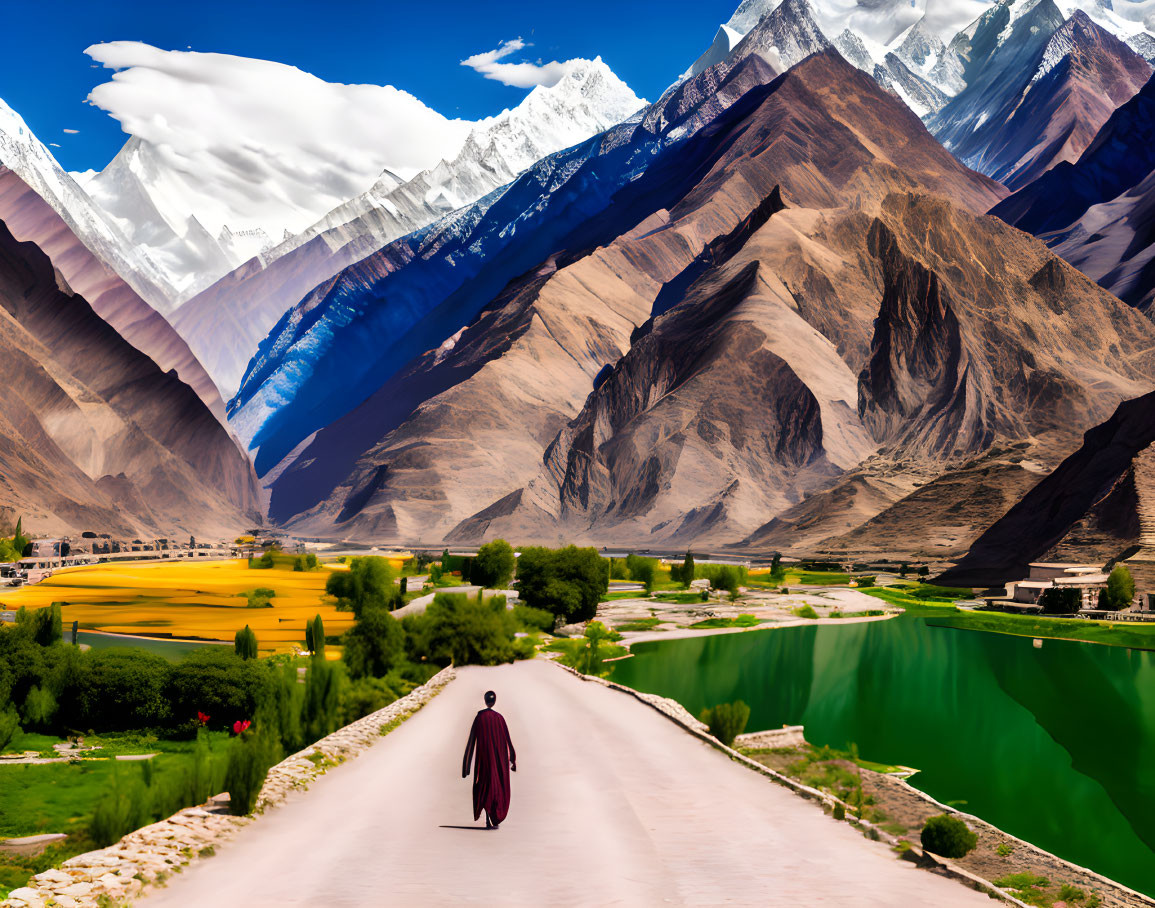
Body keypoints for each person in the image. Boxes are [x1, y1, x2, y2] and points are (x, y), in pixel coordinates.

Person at [462, 690, 517, 829]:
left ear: (486, 701)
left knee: (485, 787)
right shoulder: (500, 718)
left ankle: (488, 819)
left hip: (484, 759)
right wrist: (512, 758)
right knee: (497, 787)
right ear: (494, 701)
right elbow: (507, 739)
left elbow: (471, 741)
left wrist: (466, 765)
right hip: (498, 759)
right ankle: (494, 817)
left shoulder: (480, 718)